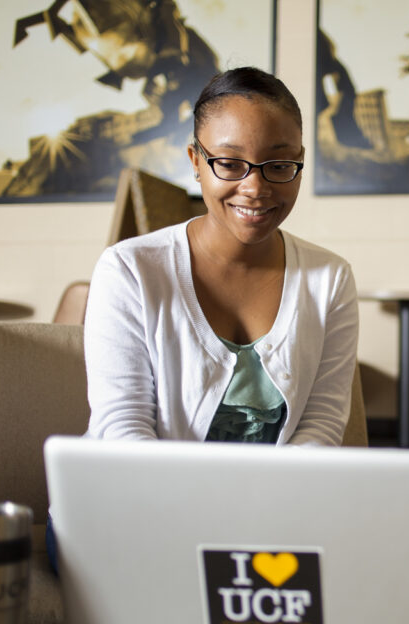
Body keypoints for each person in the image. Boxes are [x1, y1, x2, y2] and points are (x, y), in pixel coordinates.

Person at [83, 66, 359, 445]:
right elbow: (122, 429)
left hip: (274, 501)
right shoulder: (129, 270)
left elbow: (321, 425)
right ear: (196, 161)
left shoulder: (330, 278)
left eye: (279, 166)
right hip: (143, 496)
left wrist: (269, 503)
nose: (255, 188)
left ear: (300, 162)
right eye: (229, 164)